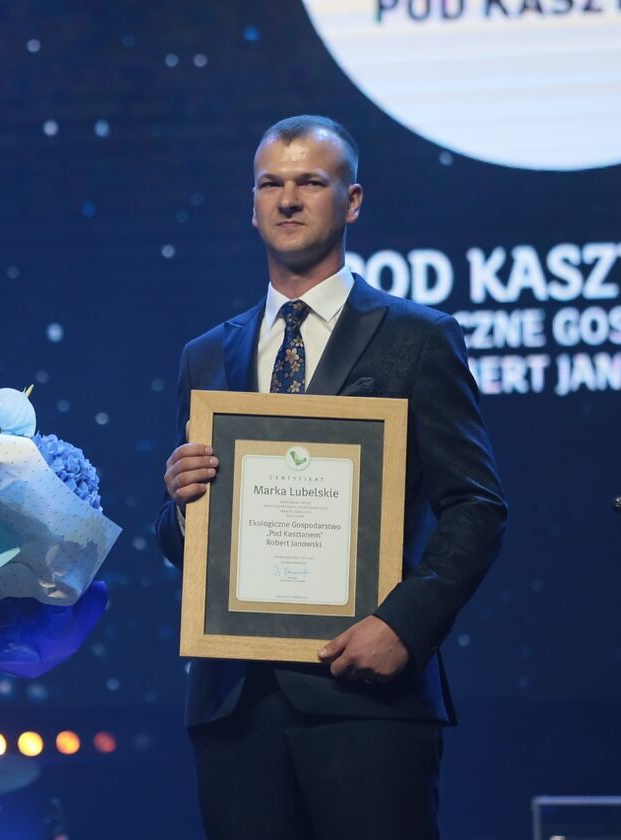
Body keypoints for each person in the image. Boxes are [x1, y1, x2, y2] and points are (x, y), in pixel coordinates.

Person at [155, 116, 507, 839]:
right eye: (270, 184)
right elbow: (187, 543)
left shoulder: (417, 337)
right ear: (252, 204)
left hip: (367, 697)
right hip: (235, 704)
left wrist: (403, 625)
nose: (288, 199)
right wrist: (185, 505)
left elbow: (476, 506)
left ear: (352, 201)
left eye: (310, 182)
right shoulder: (206, 355)